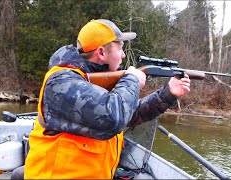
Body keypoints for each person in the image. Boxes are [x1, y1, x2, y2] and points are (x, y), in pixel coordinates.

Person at [24, 19, 190, 179]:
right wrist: (131, 79)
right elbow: (113, 117)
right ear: (101, 53)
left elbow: (128, 115)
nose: (124, 55)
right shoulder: (61, 82)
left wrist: (168, 94)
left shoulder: (93, 81)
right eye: (120, 49)